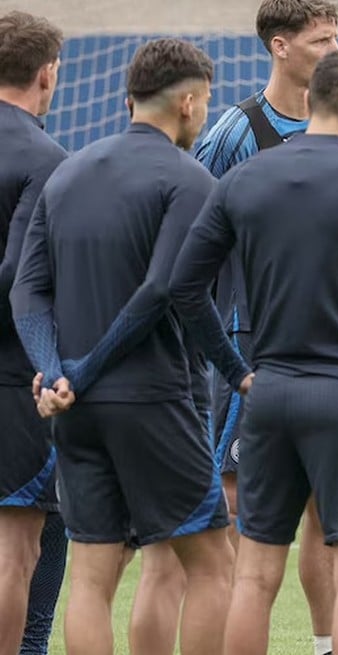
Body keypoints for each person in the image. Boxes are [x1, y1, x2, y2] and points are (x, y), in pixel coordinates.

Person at [169, 50, 338, 655]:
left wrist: (235, 371)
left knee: (253, 577)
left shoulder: (242, 179)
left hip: (269, 394)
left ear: (307, 103)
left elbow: (183, 287)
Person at [8, 37, 234, 655]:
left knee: (90, 579)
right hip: (153, 402)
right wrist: (82, 371)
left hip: (74, 415)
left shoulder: (67, 171)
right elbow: (165, 289)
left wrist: (55, 375)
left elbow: (27, 293)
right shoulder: (190, 180)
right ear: (188, 102)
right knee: (214, 562)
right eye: (206, 101)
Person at [192, 3, 338, 652]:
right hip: (246, 344)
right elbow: (190, 239)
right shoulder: (232, 132)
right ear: (280, 47)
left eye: (337, 35)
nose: (336, 48)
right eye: (322, 39)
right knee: (234, 508)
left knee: (324, 511)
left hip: (328, 348)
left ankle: (326, 643)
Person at [0, 11, 65, 655]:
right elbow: (20, 278)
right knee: (16, 549)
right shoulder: (46, 156)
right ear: (47, 72)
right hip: (13, 377)